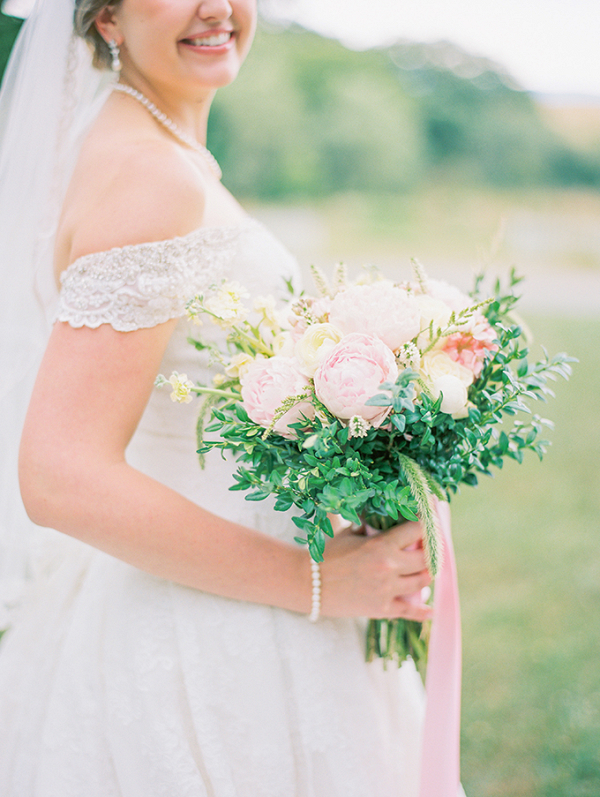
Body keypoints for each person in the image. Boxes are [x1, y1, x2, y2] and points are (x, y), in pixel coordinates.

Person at [0, 1, 458, 795]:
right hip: (204, 630)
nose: (216, 8)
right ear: (106, 17)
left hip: (212, 577)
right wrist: (318, 581)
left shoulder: (148, 146)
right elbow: (58, 473)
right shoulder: (150, 175)